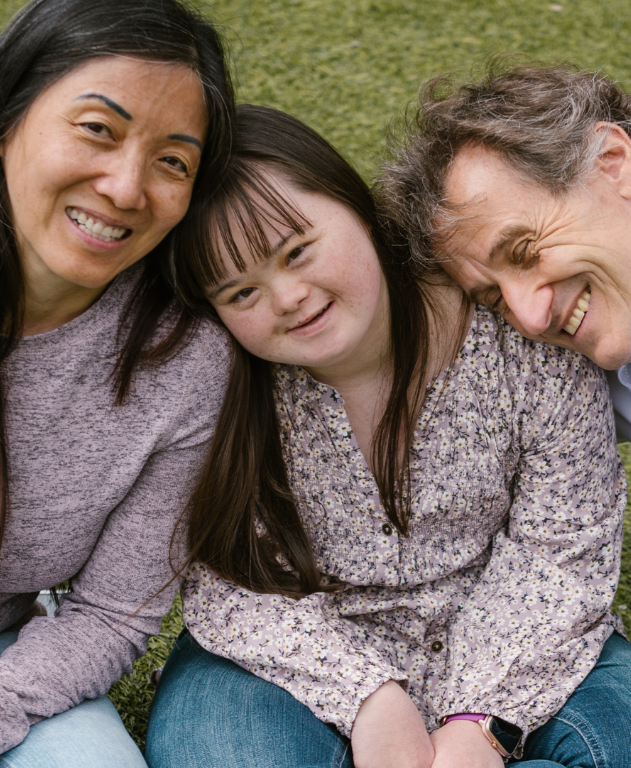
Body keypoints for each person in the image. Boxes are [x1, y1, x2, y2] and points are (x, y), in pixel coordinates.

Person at [145, 105, 630, 768]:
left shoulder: (517, 325)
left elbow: (562, 550)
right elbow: (227, 579)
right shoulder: (221, 381)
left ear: (358, 209)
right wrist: (365, 694)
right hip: (294, 657)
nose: (286, 296)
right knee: (226, 752)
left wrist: (476, 721)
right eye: (241, 293)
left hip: (530, 639)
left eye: (297, 251)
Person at [0, 0, 234, 764]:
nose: (127, 189)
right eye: (97, 129)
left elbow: (109, 614)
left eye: (173, 161)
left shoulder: (187, 361)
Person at [377, 62, 631, 441]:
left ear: (612, 162)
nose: (531, 319)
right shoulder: (572, 385)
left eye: (524, 252)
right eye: (496, 299)